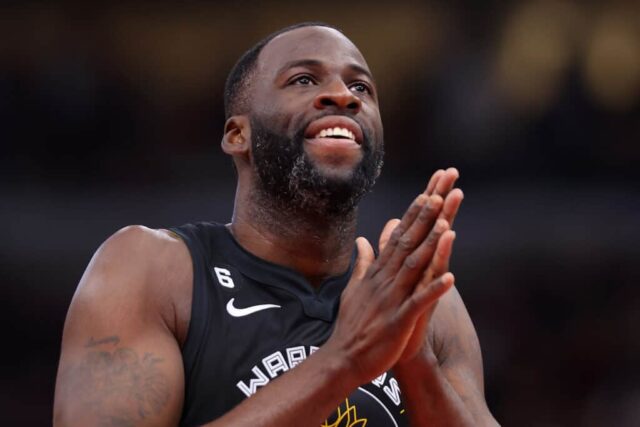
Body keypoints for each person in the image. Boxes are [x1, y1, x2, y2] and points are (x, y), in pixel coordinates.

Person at [53, 22, 499, 427]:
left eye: (361, 86)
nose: (344, 96)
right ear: (237, 135)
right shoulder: (152, 271)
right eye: (303, 80)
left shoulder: (425, 301)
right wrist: (346, 357)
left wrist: (414, 359)